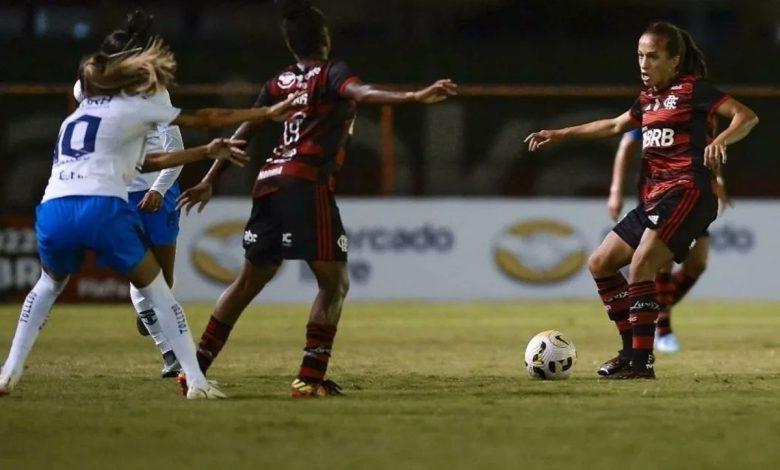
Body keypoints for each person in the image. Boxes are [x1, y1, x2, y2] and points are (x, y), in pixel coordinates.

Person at [176, 0, 458, 398]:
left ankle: (193, 369)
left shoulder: (278, 82)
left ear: (291, 46)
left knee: (246, 282)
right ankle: (309, 378)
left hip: (268, 182)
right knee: (334, 283)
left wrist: (209, 179)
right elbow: (362, 90)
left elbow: (245, 129)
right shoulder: (331, 73)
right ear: (325, 38)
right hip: (305, 185)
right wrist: (414, 96)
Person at [0, 37, 301, 398]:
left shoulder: (75, 117)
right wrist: (264, 114)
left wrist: (205, 151)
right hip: (101, 207)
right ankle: (196, 382)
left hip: (53, 210)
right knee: (158, 289)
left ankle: (8, 373)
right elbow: (208, 117)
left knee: (48, 286)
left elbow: (145, 162)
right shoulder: (129, 109)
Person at [525, 21, 758, 379]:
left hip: (688, 191)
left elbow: (746, 116)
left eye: (652, 56)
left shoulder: (694, 90)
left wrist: (721, 140)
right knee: (601, 263)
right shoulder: (647, 99)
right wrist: (559, 134)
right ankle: (628, 352)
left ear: (675, 61)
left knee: (642, 267)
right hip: (655, 197)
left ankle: (641, 364)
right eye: (640, 56)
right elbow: (614, 125)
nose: (643, 64)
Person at [81, 9, 185, 378]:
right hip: (119, 194)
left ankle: (150, 315)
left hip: (160, 194)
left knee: (164, 280)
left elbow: (176, 152)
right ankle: (170, 353)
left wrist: (158, 190)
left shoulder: (156, 93)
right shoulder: (91, 90)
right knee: (143, 276)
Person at [607, 129, 730, 353]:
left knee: (697, 263)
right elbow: (626, 141)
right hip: (659, 190)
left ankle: (648, 311)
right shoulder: (662, 107)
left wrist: (717, 180)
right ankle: (662, 330)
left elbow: (708, 147)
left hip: (694, 191)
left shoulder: (699, 111)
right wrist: (616, 190)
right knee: (662, 259)